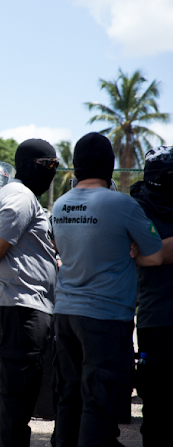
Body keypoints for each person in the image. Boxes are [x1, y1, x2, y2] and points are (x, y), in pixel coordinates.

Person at [49, 132, 164, 445]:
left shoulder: (60, 205)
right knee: (99, 401)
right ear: (110, 165)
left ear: (76, 166)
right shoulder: (121, 204)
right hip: (106, 316)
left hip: (65, 313)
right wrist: (130, 247)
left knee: (69, 396)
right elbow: (153, 255)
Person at [0, 139, 59, 447]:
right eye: (50, 166)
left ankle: (5, 442)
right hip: (20, 305)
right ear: (31, 165)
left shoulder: (21, 196)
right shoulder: (20, 197)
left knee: (15, 383)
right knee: (19, 386)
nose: (53, 172)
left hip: (21, 303)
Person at [130, 145, 173, 446]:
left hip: (154, 318)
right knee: (157, 410)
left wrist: (153, 253)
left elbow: (151, 254)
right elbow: (141, 254)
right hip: (156, 320)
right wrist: (155, 254)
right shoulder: (136, 207)